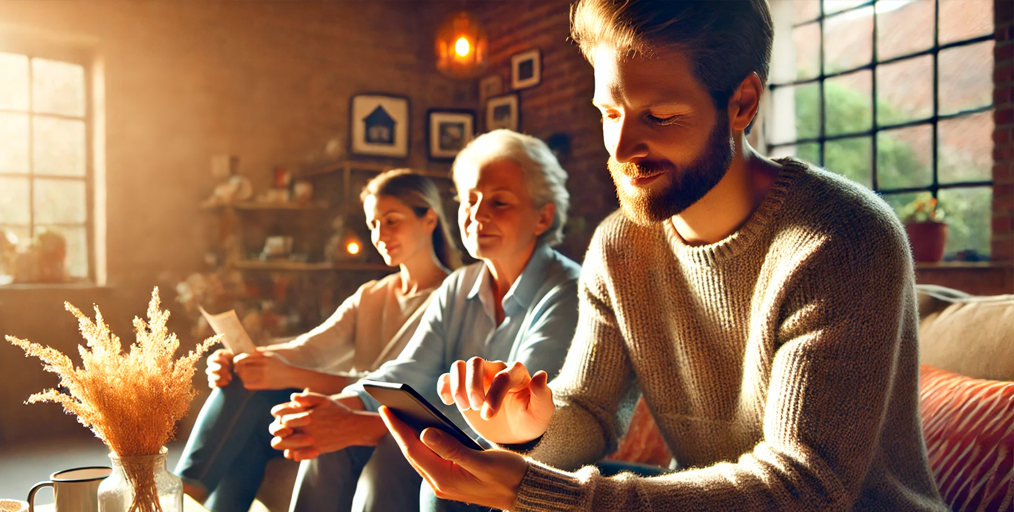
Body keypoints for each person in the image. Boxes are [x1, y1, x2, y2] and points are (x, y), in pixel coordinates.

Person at [381, 1, 950, 511]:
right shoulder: (620, 244)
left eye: (660, 116)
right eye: (610, 112)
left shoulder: (840, 239)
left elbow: (805, 488)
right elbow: (590, 410)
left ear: (742, 103)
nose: (623, 149)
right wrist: (525, 429)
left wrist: (543, 492)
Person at [268, 129, 581, 512]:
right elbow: (411, 369)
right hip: (448, 441)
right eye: (470, 200)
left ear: (543, 216)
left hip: (519, 464)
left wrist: (368, 425)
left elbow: (518, 417)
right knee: (330, 442)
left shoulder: (567, 291)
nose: (477, 214)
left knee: (392, 450)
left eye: (499, 203)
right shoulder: (457, 285)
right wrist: (343, 404)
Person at [174, 169, 458, 512]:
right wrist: (246, 359)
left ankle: (180, 497)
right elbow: (310, 348)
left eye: (391, 221)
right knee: (242, 385)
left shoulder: (453, 298)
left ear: (429, 218)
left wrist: (285, 374)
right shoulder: (371, 295)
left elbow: (391, 390)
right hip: (337, 403)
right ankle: (183, 494)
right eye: (373, 225)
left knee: (258, 405)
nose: (380, 235)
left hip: (378, 421)